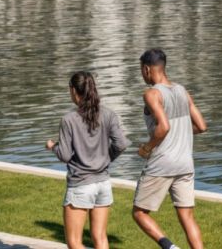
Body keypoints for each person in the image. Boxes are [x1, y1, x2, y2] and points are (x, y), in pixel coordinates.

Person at [132, 49, 207, 249]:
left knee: (139, 213)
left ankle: (170, 247)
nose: (142, 74)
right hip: (185, 163)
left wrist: (146, 148)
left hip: (162, 163)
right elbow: (201, 126)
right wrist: (180, 131)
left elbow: (163, 127)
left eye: (141, 70)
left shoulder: (152, 94)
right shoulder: (183, 91)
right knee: (187, 216)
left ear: (147, 69)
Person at [49, 70, 129, 249]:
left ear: (73, 90)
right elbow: (121, 144)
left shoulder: (69, 119)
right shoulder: (108, 114)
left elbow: (64, 155)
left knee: (74, 242)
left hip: (81, 185)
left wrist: (52, 146)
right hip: (103, 184)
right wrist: (106, 158)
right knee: (100, 238)